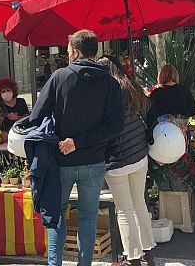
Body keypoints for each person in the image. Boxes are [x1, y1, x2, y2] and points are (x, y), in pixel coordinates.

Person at [29, 30, 124, 266]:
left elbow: (36, 115)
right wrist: (81, 142)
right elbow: (115, 125)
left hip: (61, 160)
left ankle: (55, 263)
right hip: (94, 160)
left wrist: (68, 138)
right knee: (89, 217)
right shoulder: (110, 83)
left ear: (76, 51)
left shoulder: (59, 77)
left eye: (69, 49)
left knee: (57, 213)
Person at [97, 56, 156, 266]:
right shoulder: (132, 88)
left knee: (124, 208)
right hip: (140, 155)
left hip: (117, 160)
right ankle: (148, 252)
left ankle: (132, 257)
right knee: (139, 202)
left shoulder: (105, 94)